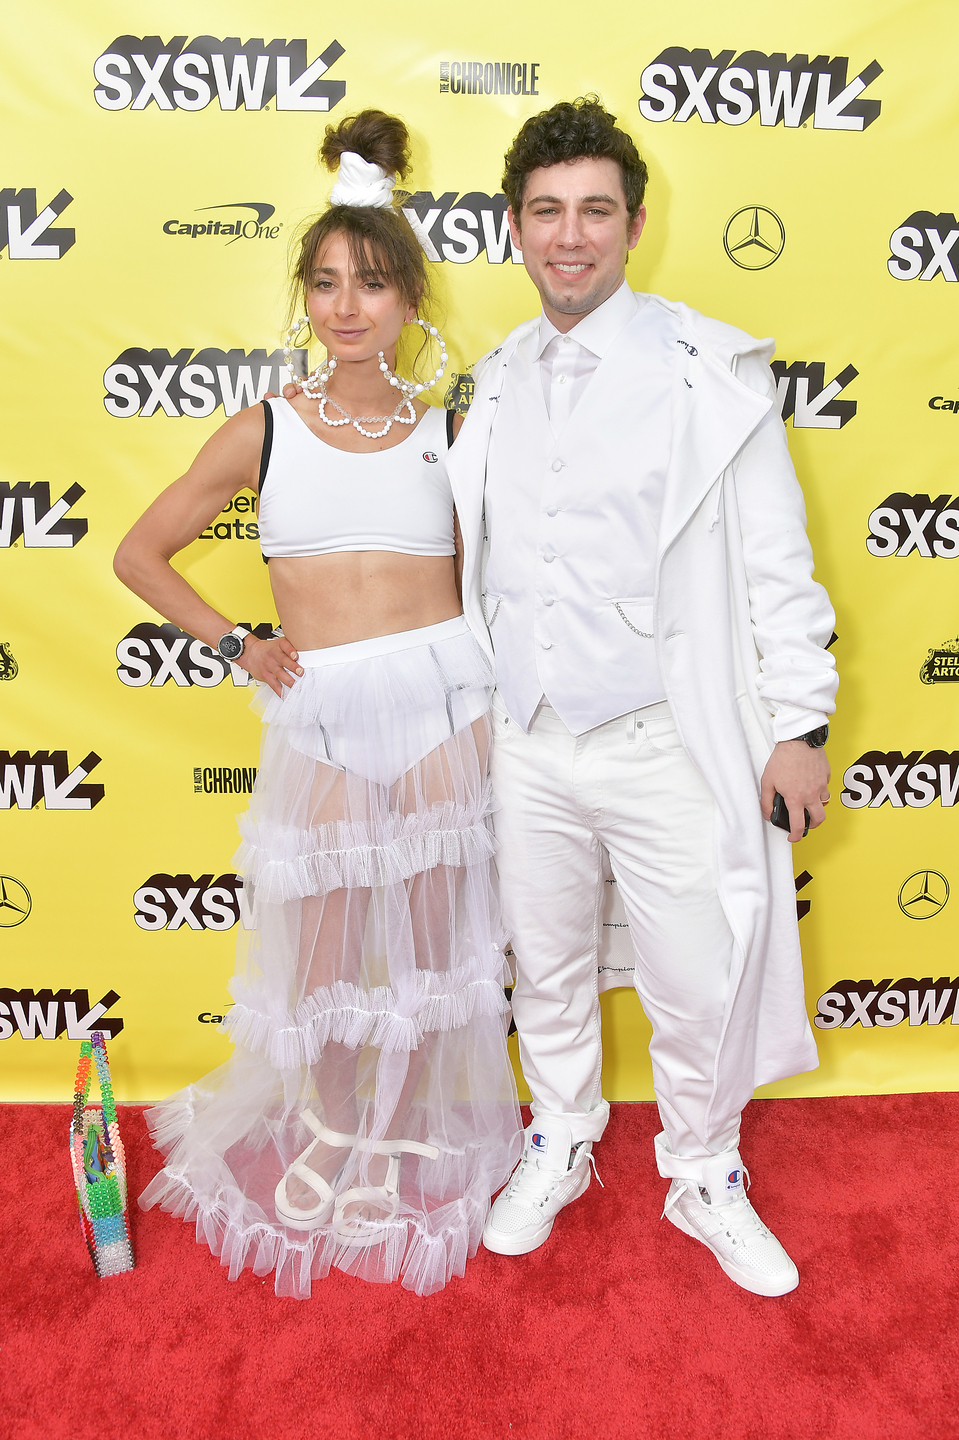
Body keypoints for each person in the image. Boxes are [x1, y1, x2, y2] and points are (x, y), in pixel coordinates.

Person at [114, 109, 521, 1298]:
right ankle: (336, 1126)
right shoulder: (261, 430)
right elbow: (140, 554)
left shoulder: (453, 432)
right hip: (325, 711)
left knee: (437, 947)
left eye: (373, 283)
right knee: (329, 953)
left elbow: (504, 574)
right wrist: (235, 641)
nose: (349, 306)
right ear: (305, 297)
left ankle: (400, 1132)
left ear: (409, 301)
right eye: (328, 283)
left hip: (447, 702)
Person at [444, 98, 837, 1296]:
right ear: (514, 226)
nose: (569, 237)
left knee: (693, 978)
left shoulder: (705, 372)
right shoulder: (493, 379)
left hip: (665, 740)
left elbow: (775, 560)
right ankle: (559, 1136)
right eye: (546, 212)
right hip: (526, 741)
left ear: (634, 222)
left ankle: (702, 1169)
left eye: (593, 212)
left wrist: (799, 725)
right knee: (546, 965)